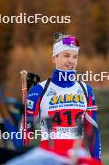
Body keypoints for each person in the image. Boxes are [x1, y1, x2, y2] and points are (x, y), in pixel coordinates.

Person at [20, 34, 101, 162]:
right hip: (49, 157)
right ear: (54, 58)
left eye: (75, 57)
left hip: (76, 157)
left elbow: (93, 132)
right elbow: (25, 131)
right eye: (66, 55)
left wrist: (97, 161)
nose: (71, 61)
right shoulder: (39, 90)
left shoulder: (86, 90)